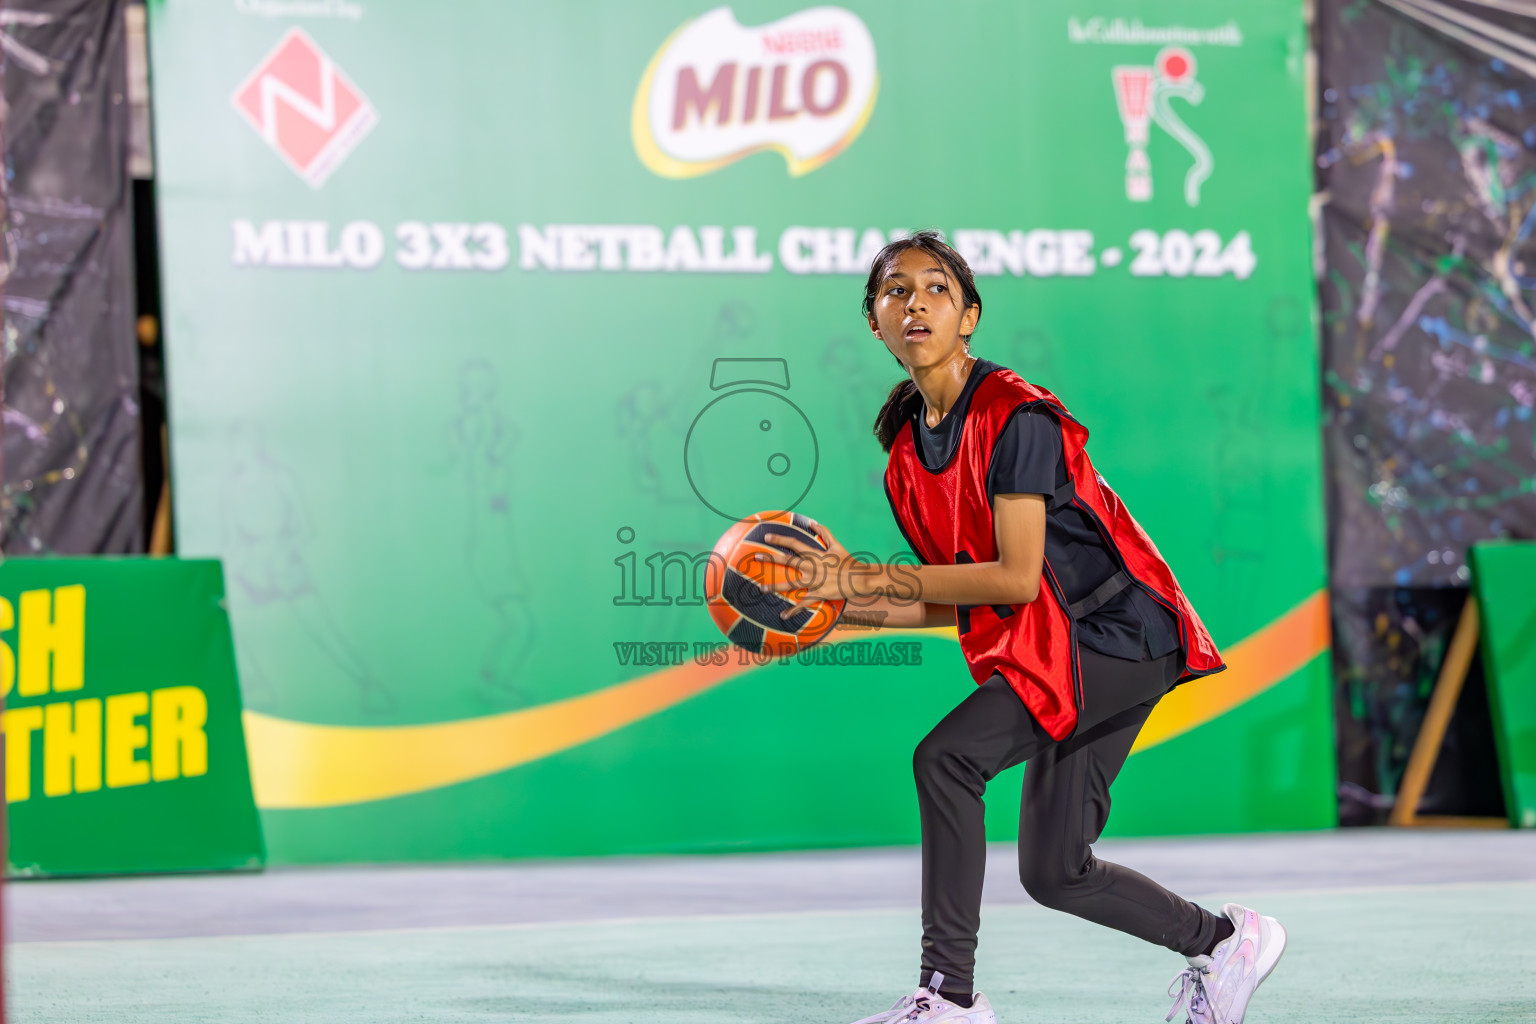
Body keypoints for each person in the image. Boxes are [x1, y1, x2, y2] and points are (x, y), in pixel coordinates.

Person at [755, 232, 1286, 1024]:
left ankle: (950, 997)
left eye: (936, 288)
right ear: (874, 322)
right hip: (1060, 645)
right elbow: (970, 599)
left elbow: (1012, 574)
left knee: (946, 760)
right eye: (894, 291)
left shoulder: (1015, 414)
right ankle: (1223, 941)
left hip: (1121, 633)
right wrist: (837, 609)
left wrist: (859, 579)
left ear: (969, 315)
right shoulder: (906, 452)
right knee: (1054, 870)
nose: (916, 303)